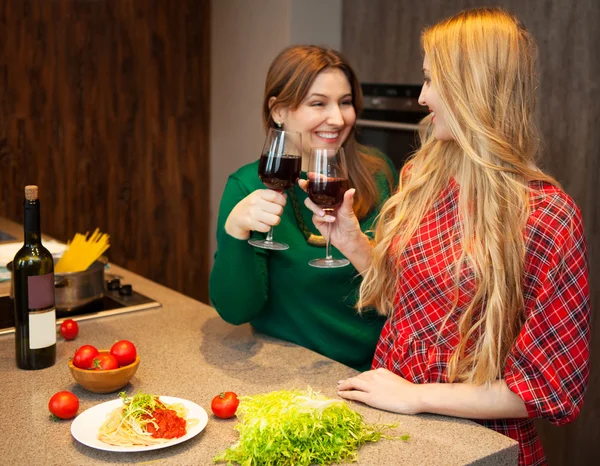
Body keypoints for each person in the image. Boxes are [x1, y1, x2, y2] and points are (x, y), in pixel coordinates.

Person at [302, 8, 590, 465]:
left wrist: (417, 396)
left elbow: (549, 387)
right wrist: (351, 238)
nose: (421, 97)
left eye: (433, 81)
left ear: (472, 89)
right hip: (395, 425)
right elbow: (412, 302)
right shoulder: (423, 175)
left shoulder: (547, 216)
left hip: (479, 444)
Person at [209, 45, 397, 371]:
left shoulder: (379, 172)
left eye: (346, 102)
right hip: (293, 374)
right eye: (318, 103)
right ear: (278, 111)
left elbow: (407, 289)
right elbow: (237, 311)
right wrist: (234, 233)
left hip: (380, 371)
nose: (338, 119)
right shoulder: (246, 186)